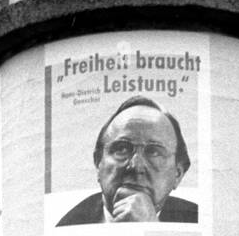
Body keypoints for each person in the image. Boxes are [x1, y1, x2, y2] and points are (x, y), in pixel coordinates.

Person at [57, 96, 199, 226]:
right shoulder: (67, 225)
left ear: (178, 174)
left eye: (154, 152)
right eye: (122, 149)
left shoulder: (198, 220)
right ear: (98, 163)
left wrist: (151, 226)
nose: (136, 166)